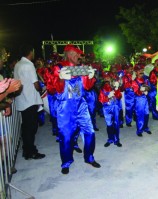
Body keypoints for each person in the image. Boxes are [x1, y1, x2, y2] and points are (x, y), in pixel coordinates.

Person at [51, 44, 100, 174]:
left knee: (90, 131)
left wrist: (91, 77)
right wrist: (60, 79)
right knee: (66, 136)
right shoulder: (58, 67)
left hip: (80, 104)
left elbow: (87, 87)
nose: (78, 56)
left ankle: (89, 157)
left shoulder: (81, 68)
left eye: (79, 54)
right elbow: (52, 88)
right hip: (65, 106)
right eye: (75, 53)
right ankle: (66, 162)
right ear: (67, 53)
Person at [14, 44, 45, 160]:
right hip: (30, 100)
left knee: (26, 127)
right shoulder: (28, 65)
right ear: (30, 52)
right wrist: (41, 89)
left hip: (22, 100)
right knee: (31, 128)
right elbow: (36, 84)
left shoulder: (18, 64)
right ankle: (31, 151)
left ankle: (26, 150)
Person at [98, 72, 123, 147]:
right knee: (109, 124)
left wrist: (116, 88)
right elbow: (101, 100)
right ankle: (110, 139)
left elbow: (119, 96)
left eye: (108, 77)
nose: (106, 79)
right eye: (105, 78)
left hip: (115, 107)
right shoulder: (102, 89)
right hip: (107, 108)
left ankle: (116, 140)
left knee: (116, 124)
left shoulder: (114, 86)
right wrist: (108, 97)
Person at [132, 63, 152, 136]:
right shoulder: (134, 81)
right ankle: (139, 130)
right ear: (136, 72)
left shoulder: (145, 79)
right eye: (139, 70)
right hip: (139, 99)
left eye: (142, 70)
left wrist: (147, 89)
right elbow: (136, 92)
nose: (141, 72)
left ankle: (145, 127)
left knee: (146, 114)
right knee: (140, 114)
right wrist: (142, 90)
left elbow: (149, 87)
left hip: (145, 99)